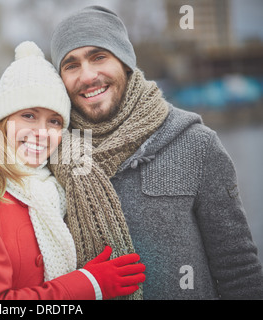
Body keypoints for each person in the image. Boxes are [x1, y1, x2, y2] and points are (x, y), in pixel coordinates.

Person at [48, 6, 263, 300]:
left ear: (124, 62)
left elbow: (238, 269)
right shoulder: (49, 157)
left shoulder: (196, 144)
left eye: (99, 57)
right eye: (71, 65)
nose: (87, 76)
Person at [0, 41, 145, 300]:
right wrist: (88, 284)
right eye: (29, 116)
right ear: (3, 121)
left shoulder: (59, 188)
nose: (42, 133)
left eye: (54, 121)